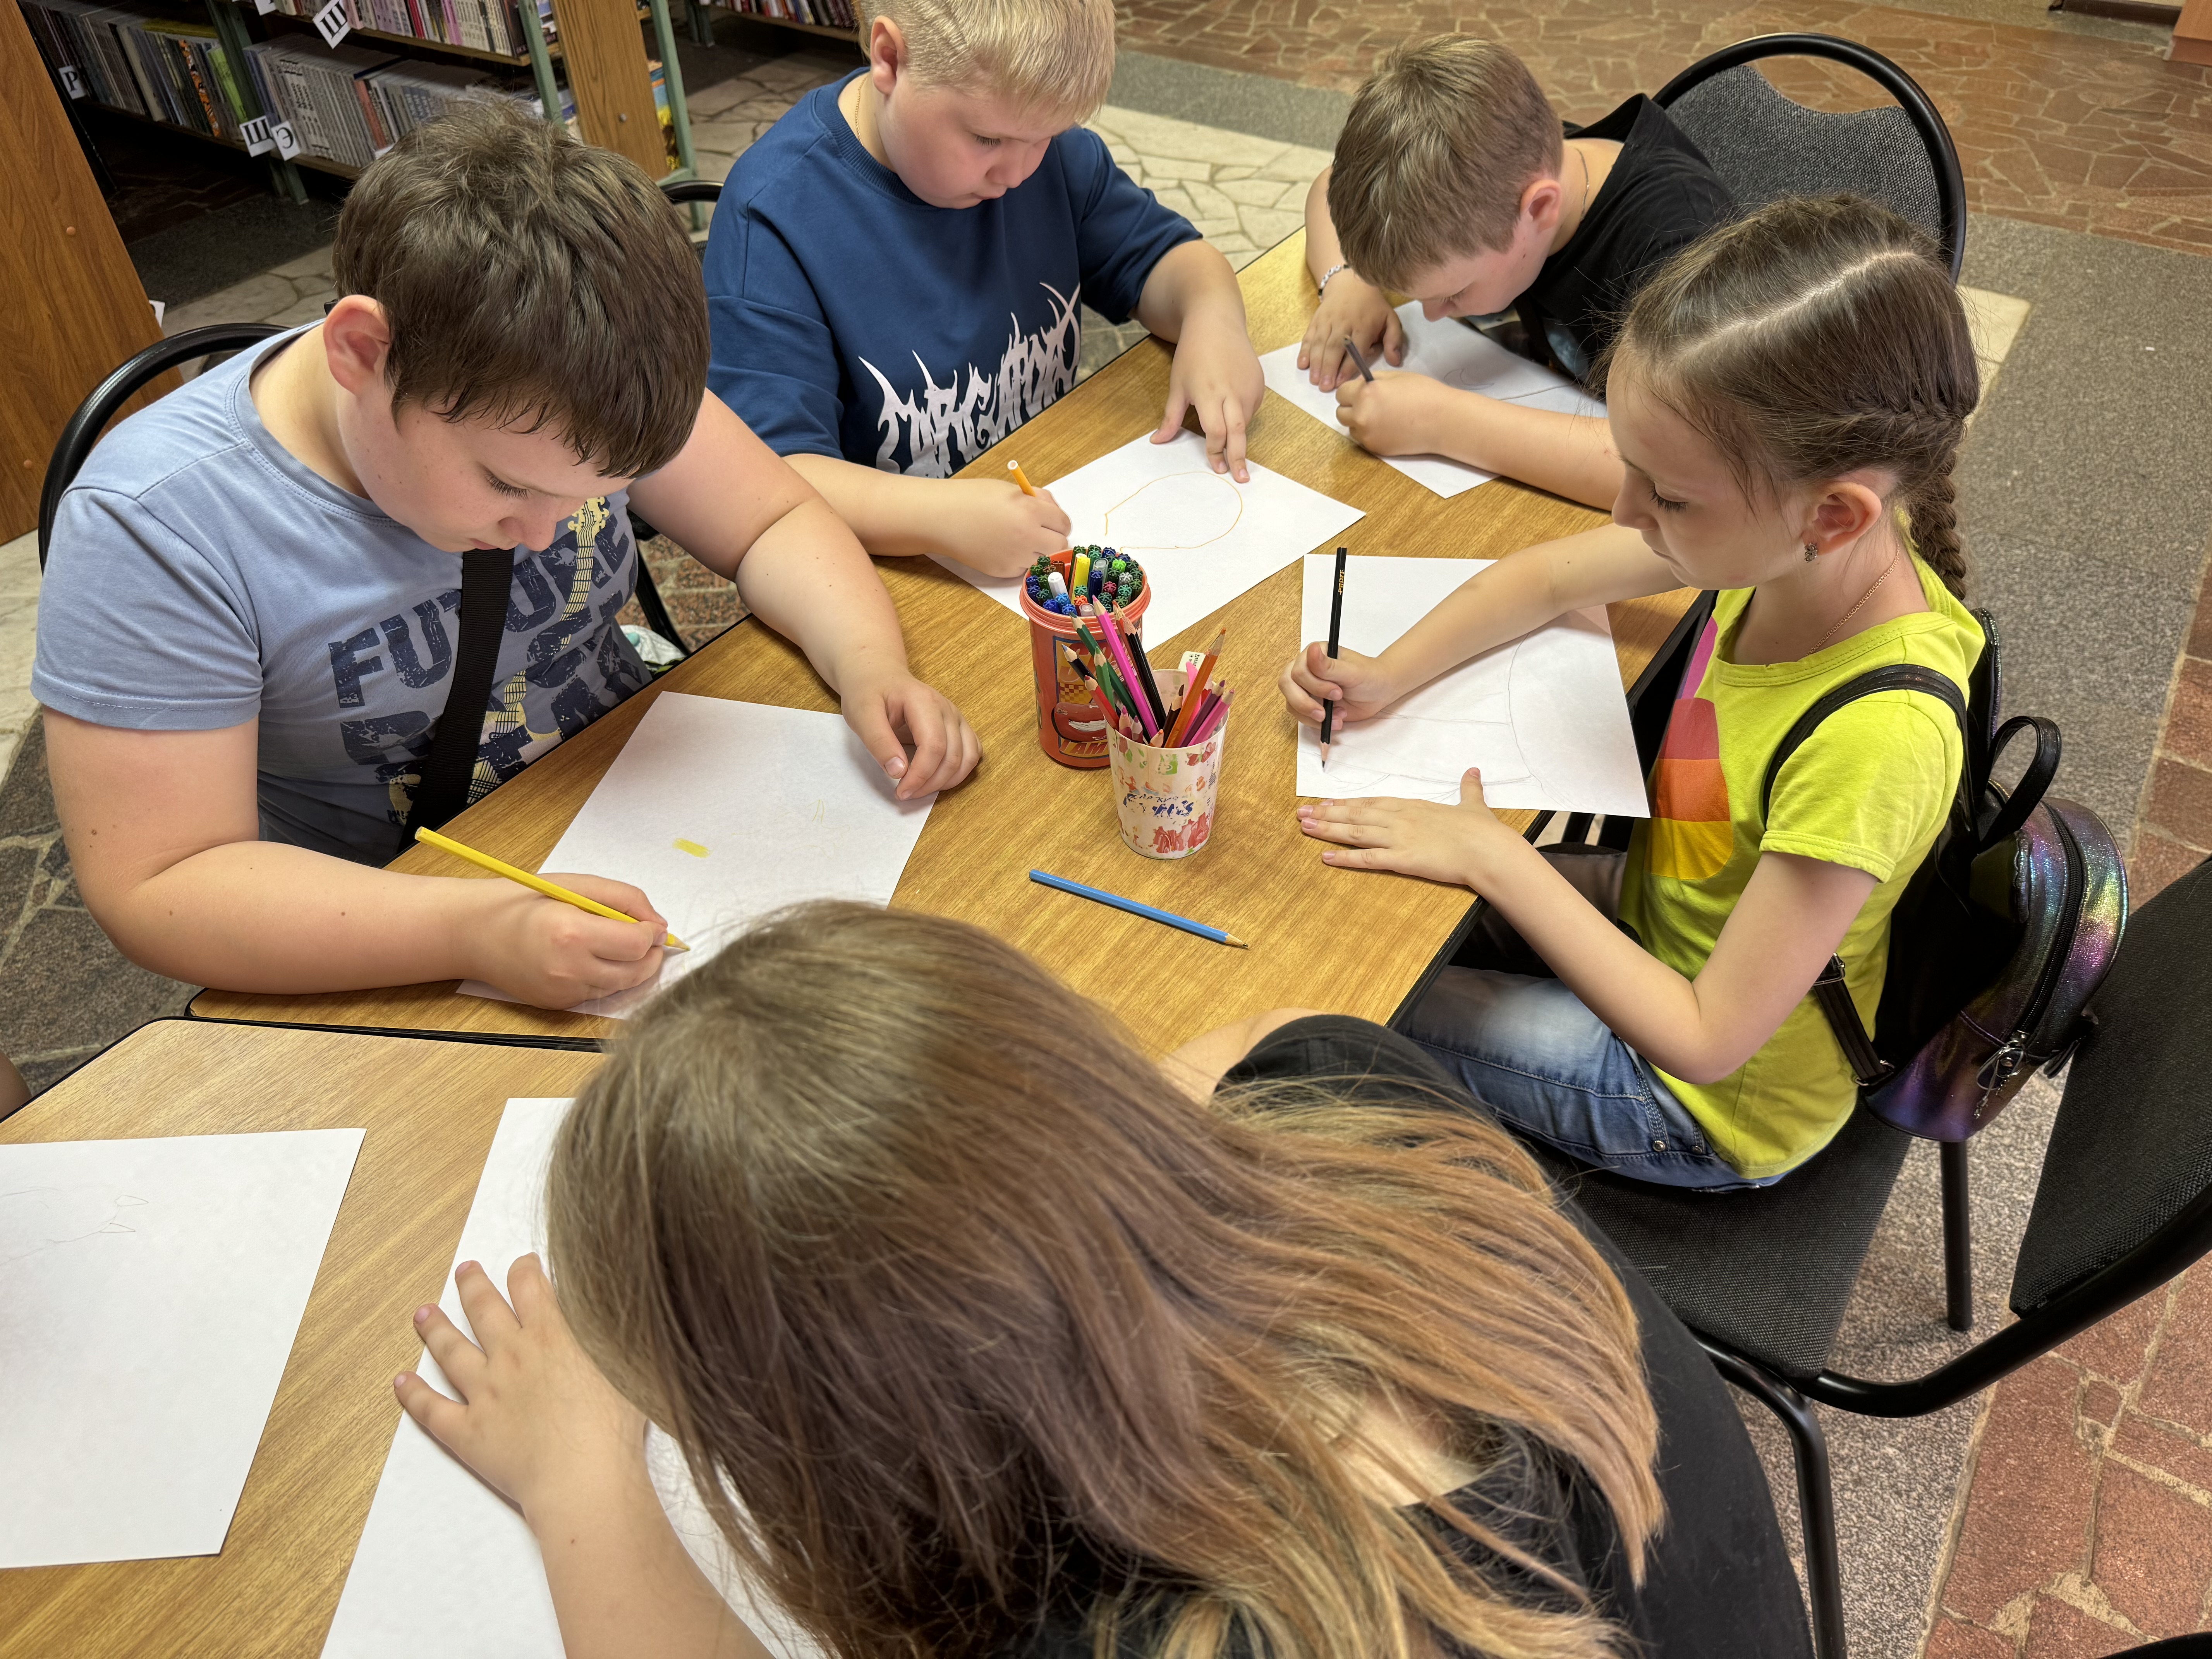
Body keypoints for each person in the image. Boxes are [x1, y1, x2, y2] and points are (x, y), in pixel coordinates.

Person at [392, 902, 1812, 1659]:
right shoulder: (1355, 1100)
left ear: (852, 1455)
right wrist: (1049, 1177)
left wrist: (582, 1482)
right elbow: (1261, 1033)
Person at [34, 101, 978, 1013]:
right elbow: (161, 884)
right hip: (381, 914)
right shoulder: (154, 527)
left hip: (632, 799)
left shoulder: (586, 364)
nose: (547, 533)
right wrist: (475, 933)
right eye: (507, 485)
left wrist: (868, 662)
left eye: (599, 493)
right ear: (361, 352)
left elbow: (771, 521)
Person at [1286, 196, 1983, 1190]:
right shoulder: (1797, 545)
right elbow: (1547, 577)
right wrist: (1388, 674)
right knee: (1371, 902)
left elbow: (1705, 1038)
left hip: (1700, 1103)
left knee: (1344, 1010)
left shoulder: (1881, 737)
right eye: (1632, 471)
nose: (1625, 511)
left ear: (1832, 516)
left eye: (1667, 496)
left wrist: (1497, 858)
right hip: (1659, 914)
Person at [703, 0, 1266, 578]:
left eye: (1045, 137)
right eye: (986, 139)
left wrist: (1213, 319)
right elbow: (770, 480)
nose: (1017, 173)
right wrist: (939, 518)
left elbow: (1169, 258)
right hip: (887, 574)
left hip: (1045, 512)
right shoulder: (773, 219)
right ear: (890, 58)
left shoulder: (1045, 147)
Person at [1299, 35, 1735, 508]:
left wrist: (1441, 422)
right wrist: (1346, 281)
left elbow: (1682, 473)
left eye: (1454, 292)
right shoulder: (1505, 165)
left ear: (1540, 209)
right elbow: (1328, 184)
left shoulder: (1680, 254)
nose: (1430, 315)